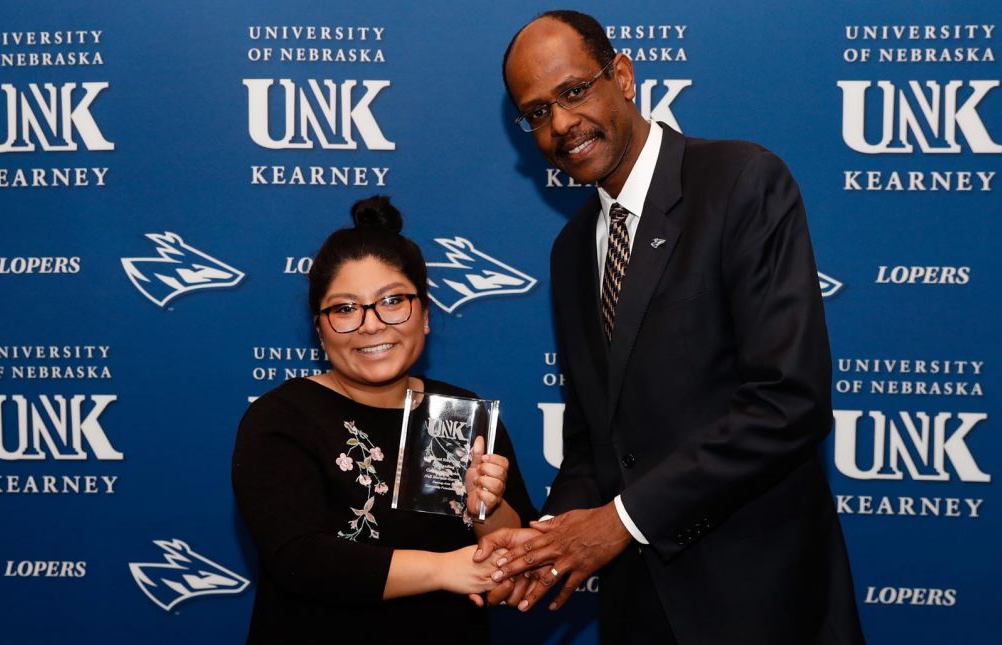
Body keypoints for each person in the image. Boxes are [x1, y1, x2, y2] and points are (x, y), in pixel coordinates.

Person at [473, 10, 866, 645]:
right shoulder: (571, 251)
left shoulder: (740, 181)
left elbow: (788, 401)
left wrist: (618, 522)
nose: (561, 124)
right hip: (638, 608)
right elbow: (594, 445)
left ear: (623, 76)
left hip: (761, 601)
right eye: (537, 112)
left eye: (573, 91)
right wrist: (542, 547)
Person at [232, 196, 536, 644]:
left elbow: (517, 565)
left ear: (425, 315)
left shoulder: (461, 412)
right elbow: (299, 560)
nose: (371, 324)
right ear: (320, 330)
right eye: (345, 308)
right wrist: (444, 569)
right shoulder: (281, 418)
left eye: (392, 301)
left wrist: (486, 510)